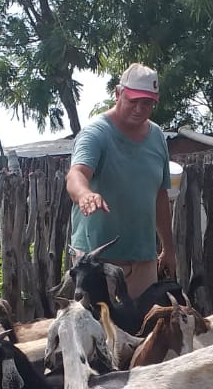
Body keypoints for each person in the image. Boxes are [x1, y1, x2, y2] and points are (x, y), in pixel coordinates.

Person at [65, 62, 176, 297]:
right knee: (98, 329)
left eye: (146, 103)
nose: (139, 109)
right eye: (132, 101)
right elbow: (76, 174)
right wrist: (85, 194)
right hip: (96, 262)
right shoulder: (96, 133)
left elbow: (159, 195)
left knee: (144, 329)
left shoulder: (157, 137)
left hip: (143, 260)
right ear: (118, 93)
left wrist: (168, 248)